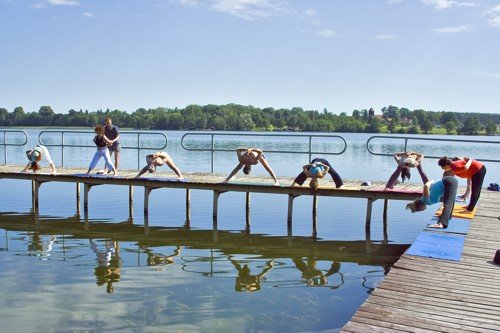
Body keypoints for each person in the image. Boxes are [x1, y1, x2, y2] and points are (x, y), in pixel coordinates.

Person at [406, 163, 458, 229]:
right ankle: (447, 217)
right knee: (450, 201)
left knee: (447, 203)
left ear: (420, 207)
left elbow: (426, 186)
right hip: (449, 182)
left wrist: (431, 181)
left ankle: (440, 223)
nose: (422, 211)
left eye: (420, 210)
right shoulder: (426, 201)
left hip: (448, 182)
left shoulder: (425, 200)